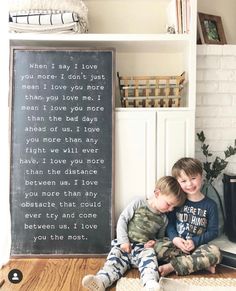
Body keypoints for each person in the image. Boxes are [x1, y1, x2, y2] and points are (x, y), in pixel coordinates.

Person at [82, 176, 186, 291]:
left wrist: (153, 243)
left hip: (143, 249)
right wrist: (123, 241)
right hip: (126, 246)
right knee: (113, 261)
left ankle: (150, 284)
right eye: (168, 204)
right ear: (157, 194)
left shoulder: (163, 219)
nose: (171, 209)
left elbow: (159, 238)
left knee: (150, 263)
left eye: (173, 207)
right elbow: (122, 220)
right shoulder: (138, 203)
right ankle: (101, 281)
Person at [155, 157, 222, 276]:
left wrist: (195, 241)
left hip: (198, 247)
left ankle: (172, 266)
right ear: (177, 182)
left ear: (201, 176)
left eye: (193, 178)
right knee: (157, 246)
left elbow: (213, 231)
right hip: (177, 245)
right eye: (183, 181)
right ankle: (198, 264)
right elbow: (170, 224)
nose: (189, 184)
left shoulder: (210, 205)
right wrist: (175, 239)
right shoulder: (176, 202)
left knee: (215, 252)